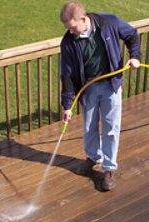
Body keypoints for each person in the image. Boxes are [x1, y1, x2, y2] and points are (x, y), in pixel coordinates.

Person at [59, 1, 141, 191]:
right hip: (88, 88)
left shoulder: (108, 23)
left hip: (111, 85)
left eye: (72, 27)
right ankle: (93, 157)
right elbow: (68, 76)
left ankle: (109, 169)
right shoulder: (68, 42)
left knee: (111, 127)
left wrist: (135, 56)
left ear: (83, 18)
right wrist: (67, 106)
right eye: (68, 29)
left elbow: (132, 35)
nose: (71, 32)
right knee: (89, 127)